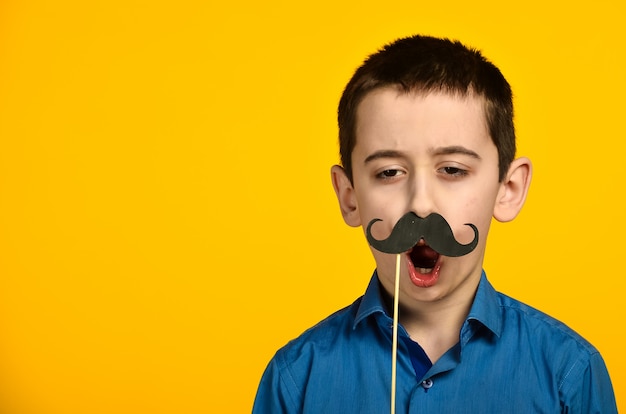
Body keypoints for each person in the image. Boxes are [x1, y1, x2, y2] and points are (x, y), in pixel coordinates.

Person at [252, 34, 617, 413]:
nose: (421, 204)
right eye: (389, 172)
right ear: (349, 196)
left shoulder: (568, 375)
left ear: (507, 188)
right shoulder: (296, 379)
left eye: (453, 170)